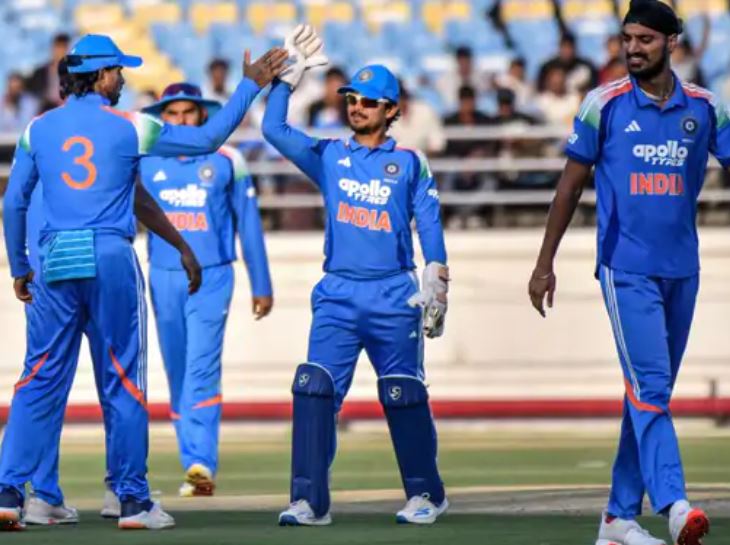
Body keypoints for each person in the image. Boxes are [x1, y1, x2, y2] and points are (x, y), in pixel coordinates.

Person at [0, 33, 286, 531]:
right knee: (123, 379)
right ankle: (131, 500)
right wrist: (249, 87)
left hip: (55, 256)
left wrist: (19, 266)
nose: (123, 79)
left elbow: (13, 202)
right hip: (110, 254)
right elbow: (206, 140)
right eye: (117, 71)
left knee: (38, 377)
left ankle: (7, 493)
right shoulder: (131, 126)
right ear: (100, 75)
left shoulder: (36, 128)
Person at [528, 2, 730, 545]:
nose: (633, 48)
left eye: (645, 39)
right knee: (652, 387)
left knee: (645, 392)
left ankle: (617, 519)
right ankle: (674, 504)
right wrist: (544, 263)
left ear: (671, 42)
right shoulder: (604, 104)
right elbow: (569, 187)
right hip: (626, 268)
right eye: (627, 38)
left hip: (683, 269)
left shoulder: (706, 108)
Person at [263, 26, 450, 527]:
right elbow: (274, 130)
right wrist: (286, 81)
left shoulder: (409, 163)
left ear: (392, 110)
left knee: (403, 393)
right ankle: (309, 502)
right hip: (337, 295)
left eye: (369, 101)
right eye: (352, 99)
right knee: (313, 387)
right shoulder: (329, 156)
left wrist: (436, 279)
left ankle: (426, 494)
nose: (357, 107)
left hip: (393, 294)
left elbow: (430, 222)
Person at [140, 82, 273, 497]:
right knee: (177, 370)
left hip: (213, 276)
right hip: (163, 276)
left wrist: (261, 283)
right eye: (172, 113)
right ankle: (192, 463)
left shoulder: (228, 160)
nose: (181, 120)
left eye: (189, 113)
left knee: (201, 366)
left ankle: (201, 460)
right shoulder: (145, 160)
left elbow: (248, 224)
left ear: (202, 116)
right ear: (162, 118)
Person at [390, 81, 446, 155]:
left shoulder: (425, 111)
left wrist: (421, 158)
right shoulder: (385, 118)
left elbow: (438, 144)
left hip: (426, 159)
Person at [25, 32, 70, 112]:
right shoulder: (40, 73)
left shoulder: (75, 73)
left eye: (63, 47)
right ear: (52, 48)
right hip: (46, 111)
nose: (60, 51)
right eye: (58, 47)